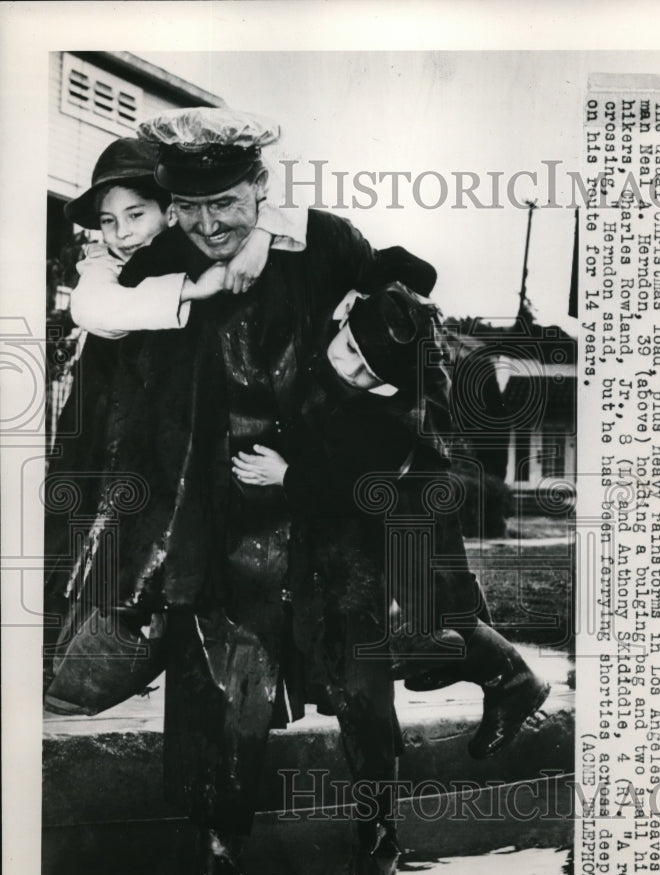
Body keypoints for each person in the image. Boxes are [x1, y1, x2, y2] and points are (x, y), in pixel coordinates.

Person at [48, 106, 442, 875]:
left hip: (323, 504)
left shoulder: (322, 243)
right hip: (210, 517)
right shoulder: (152, 265)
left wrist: (343, 445)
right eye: (189, 207)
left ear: (261, 189)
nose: (208, 224)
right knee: (219, 690)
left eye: (226, 203)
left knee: (359, 678)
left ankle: (379, 835)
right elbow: (100, 363)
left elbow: (403, 313)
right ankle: (217, 859)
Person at [231, 282, 550, 763]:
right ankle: (485, 670)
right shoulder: (334, 324)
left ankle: (511, 678)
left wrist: (288, 476)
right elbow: (407, 268)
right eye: (350, 350)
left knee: (410, 624)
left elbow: (355, 484)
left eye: (369, 373)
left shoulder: (394, 408)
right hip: (375, 526)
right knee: (389, 643)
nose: (351, 370)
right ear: (344, 313)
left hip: (392, 520)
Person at [44, 135, 307, 715]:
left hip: (181, 435)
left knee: (164, 550)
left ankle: (124, 647)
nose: (121, 233)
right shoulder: (110, 266)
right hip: (106, 424)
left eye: (135, 214)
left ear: (170, 210)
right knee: (80, 531)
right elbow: (91, 307)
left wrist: (262, 237)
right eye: (108, 221)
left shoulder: (196, 246)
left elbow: (288, 212)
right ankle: (77, 652)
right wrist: (193, 288)